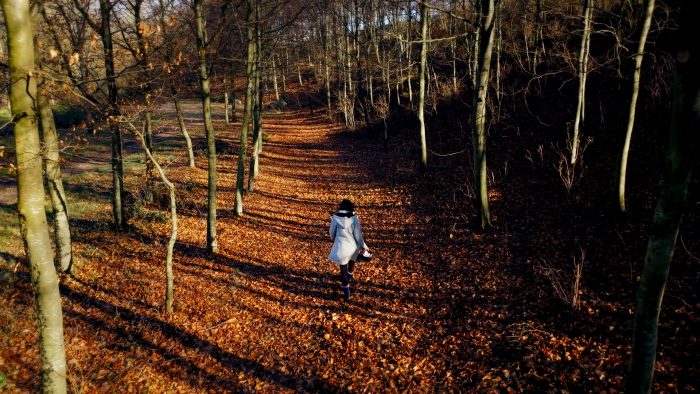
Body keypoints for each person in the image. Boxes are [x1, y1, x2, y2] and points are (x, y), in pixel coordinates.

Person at [328, 199, 370, 299]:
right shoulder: (354, 218)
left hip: (341, 247)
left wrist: (333, 238)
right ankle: (350, 275)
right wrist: (364, 246)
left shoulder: (335, 218)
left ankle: (346, 290)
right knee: (352, 260)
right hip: (353, 246)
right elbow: (358, 235)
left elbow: (332, 232)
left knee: (343, 270)